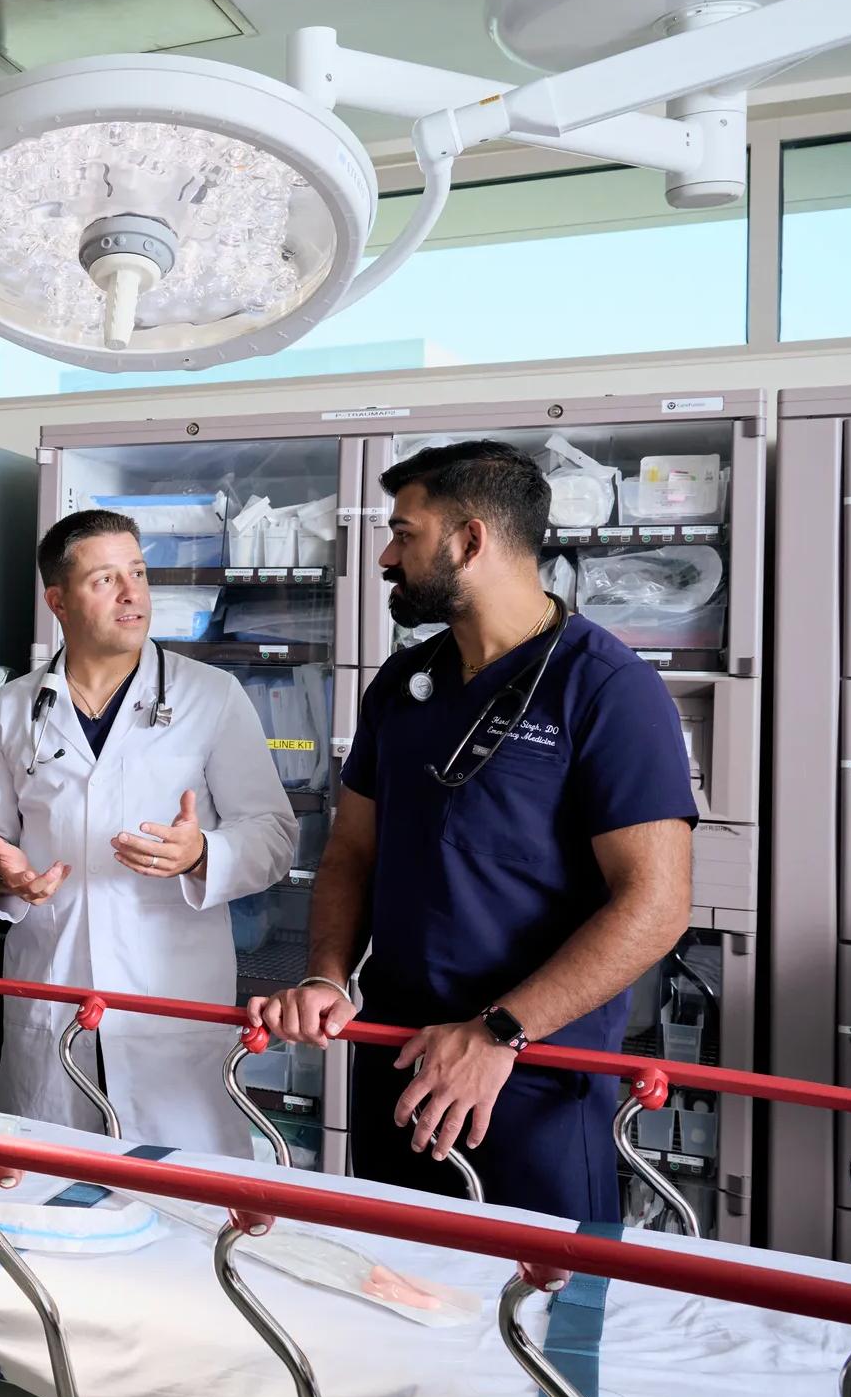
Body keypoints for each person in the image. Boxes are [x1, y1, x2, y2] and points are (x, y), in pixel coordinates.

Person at [250, 440, 695, 1222]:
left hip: (527, 1076)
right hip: (394, 1057)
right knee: (388, 1290)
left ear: (470, 541)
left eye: (404, 533)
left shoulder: (607, 690)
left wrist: (497, 1034)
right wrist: (326, 975)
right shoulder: (403, 683)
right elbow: (353, 852)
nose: (387, 556)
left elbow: (655, 904)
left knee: (534, 1317)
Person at [0, 509, 298, 1157]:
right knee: (46, 1198)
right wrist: (3, 874)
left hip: (168, 1001)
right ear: (57, 600)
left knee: (183, 1203)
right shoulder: (14, 707)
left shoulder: (211, 696)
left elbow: (274, 835)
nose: (132, 592)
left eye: (137, 572)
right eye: (105, 578)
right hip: (53, 996)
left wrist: (202, 855)